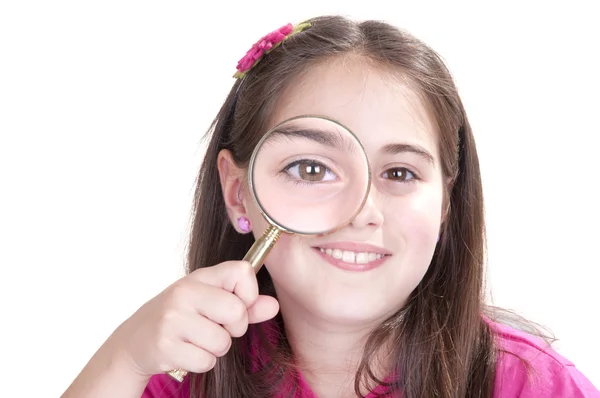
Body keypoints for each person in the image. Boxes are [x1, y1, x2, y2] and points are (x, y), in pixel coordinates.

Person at [61, 15, 599, 398]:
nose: (359, 211)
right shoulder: (177, 375)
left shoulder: (529, 385)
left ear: (446, 206)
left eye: (399, 173)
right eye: (311, 169)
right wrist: (124, 357)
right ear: (238, 192)